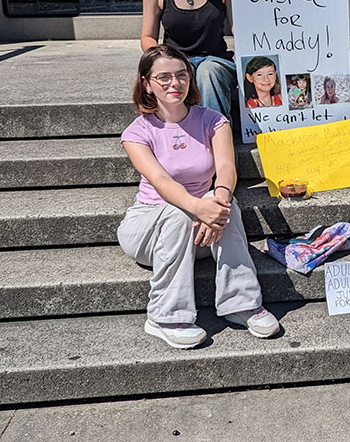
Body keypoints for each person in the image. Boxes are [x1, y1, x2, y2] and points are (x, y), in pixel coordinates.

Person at [117, 45, 280, 349]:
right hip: (149, 229)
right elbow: (162, 182)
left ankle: (242, 304)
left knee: (227, 204)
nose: (174, 83)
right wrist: (200, 209)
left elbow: (227, 169)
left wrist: (217, 204)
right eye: (163, 78)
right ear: (147, 83)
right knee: (180, 211)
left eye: (181, 75)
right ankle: (164, 316)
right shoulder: (137, 132)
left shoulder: (212, 120)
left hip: (202, 231)